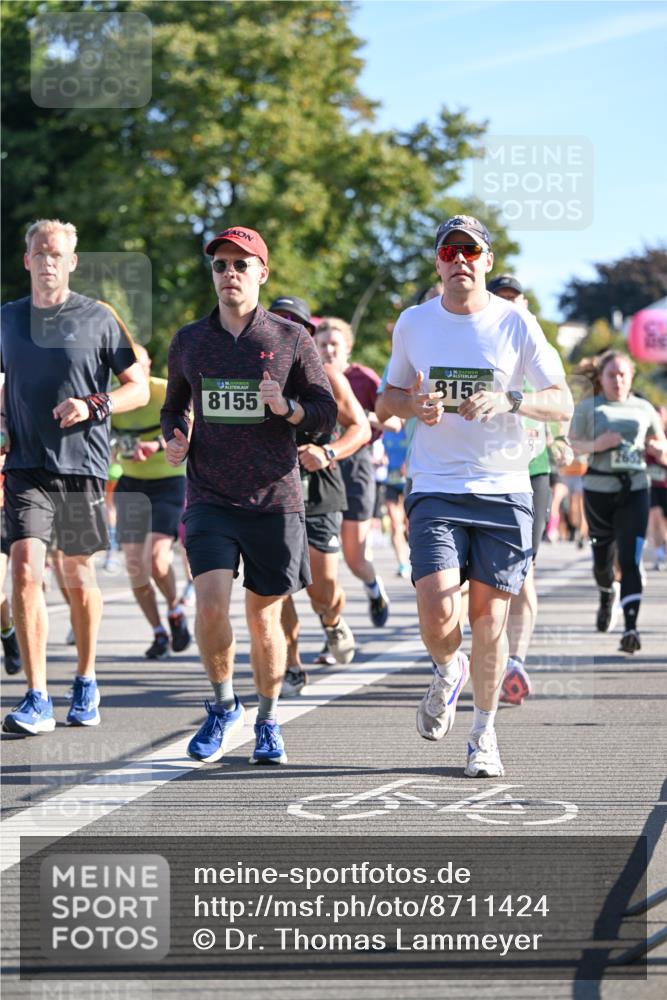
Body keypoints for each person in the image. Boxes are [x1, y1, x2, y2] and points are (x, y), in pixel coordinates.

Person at [382, 215, 572, 777]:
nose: (459, 259)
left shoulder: (516, 323)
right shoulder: (414, 322)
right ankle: (447, 668)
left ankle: (483, 735)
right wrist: (412, 406)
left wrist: (510, 400)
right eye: (449, 250)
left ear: (487, 260)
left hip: (504, 487)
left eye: (471, 250)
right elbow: (387, 398)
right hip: (437, 485)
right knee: (436, 608)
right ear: (438, 262)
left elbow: (560, 400)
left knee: (490, 621)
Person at [161, 226, 336, 764]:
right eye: (220, 265)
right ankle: (221, 705)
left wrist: (288, 410)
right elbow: (173, 406)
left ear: (263, 271)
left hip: (274, 498)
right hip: (210, 495)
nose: (229, 273)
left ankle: (266, 718)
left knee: (264, 619)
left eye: (241, 264)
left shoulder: (290, 339)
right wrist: (174, 436)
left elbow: (325, 413)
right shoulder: (190, 340)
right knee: (211, 607)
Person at [1, 218, 148, 734]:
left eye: (56, 254)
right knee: (23, 569)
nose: (47, 262)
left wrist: (93, 405)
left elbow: (139, 387)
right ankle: (36, 695)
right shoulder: (7, 319)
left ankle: (86, 677)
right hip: (23, 465)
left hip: (81, 466)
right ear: (26, 260)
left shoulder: (99, 317)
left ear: (72, 262)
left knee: (77, 575)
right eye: (39, 253)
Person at [268, 296, 371, 696]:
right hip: (270, 488)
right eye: (277, 322)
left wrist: (327, 452)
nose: (285, 330)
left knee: (322, 588)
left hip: (318, 485)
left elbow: (360, 429)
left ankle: (332, 621)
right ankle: (290, 662)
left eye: (295, 324)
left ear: (307, 333)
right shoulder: (250, 370)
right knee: (278, 584)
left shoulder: (328, 374)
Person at [487, 274, 573, 705]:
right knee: (476, 576)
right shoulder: (479, 334)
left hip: (532, 467)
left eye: (515, 298)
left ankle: (515, 660)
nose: (508, 304)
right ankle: (477, 654)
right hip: (484, 467)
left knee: (524, 568)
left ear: (525, 302)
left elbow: (561, 402)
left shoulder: (537, 342)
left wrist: (560, 439)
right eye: (500, 298)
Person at [569, 350, 666, 653]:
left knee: (630, 558)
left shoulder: (644, 408)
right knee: (602, 562)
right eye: (611, 375)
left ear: (632, 377)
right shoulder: (588, 408)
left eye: (623, 374)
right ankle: (605, 593)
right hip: (599, 491)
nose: (618, 380)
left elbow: (661, 441)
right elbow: (572, 445)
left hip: (635, 488)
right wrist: (598, 444)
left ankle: (631, 628)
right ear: (601, 378)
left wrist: (659, 449)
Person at [315, 317, 399, 627]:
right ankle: (333, 625)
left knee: (354, 558)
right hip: (319, 467)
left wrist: (360, 415)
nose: (328, 350)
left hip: (356, 465)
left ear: (347, 347)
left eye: (334, 344)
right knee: (324, 558)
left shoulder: (362, 377)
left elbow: (394, 422)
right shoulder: (309, 376)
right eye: (322, 345)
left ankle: (374, 589)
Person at [112, 345, 191, 659]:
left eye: (136, 364)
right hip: (131, 484)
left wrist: (156, 444)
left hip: (169, 482)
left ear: (148, 365)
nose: (129, 371)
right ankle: (158, 632)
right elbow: (101, 436)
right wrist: (119, 446)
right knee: (136, 568)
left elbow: (191, 423)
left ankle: (174, 611)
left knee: (158, 560)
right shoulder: (113, 396)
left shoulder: (162, 390)